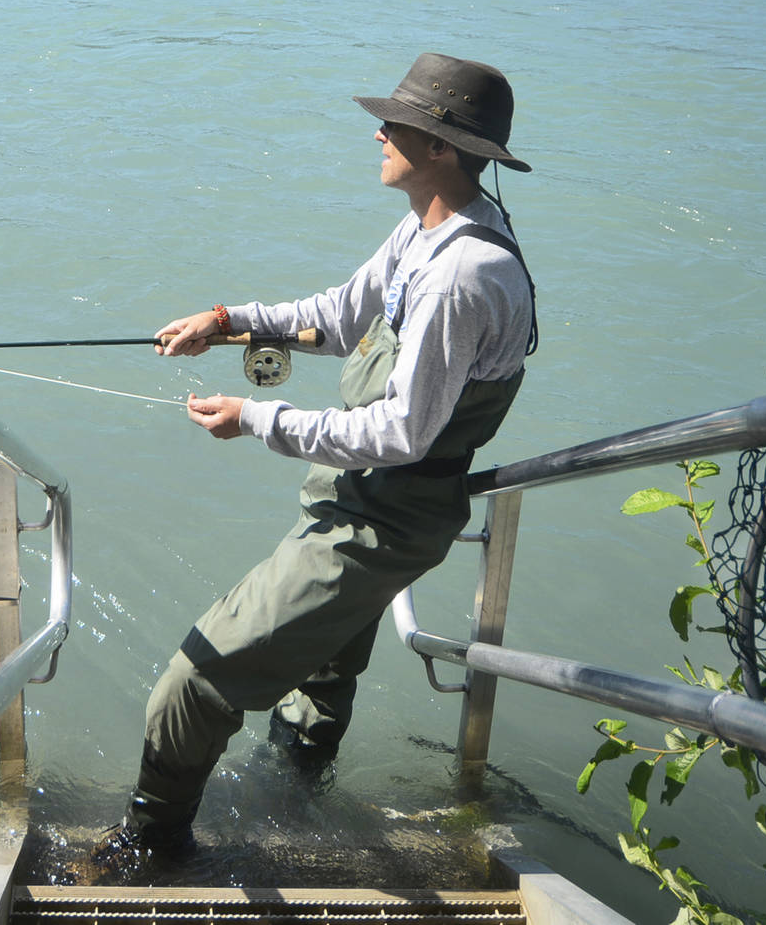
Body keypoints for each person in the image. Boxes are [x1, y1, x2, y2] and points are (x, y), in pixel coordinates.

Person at [101, 52, 538, 862]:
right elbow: (341, 314)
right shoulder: (431, 227)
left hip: (377, 524)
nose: (379, 131)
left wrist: (258, 418)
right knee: (316, 688)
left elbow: (402, 433)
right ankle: (295, 811)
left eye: (396, 124)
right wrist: (230, 319)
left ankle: (148, 847)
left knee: (192, 683)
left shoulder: (462, 277)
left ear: (440, 147)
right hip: (362, 502)